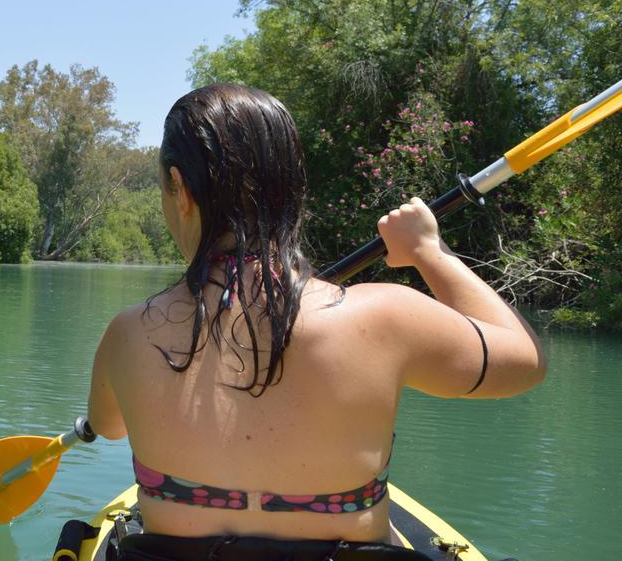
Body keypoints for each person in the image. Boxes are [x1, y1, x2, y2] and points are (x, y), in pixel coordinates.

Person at [87, 84, 546, 560]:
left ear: (179, 189)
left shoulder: (129, 334)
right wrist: (431, 254)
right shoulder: (386, 317)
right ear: (291, 189)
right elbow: (526, 360)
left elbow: (109, 425)